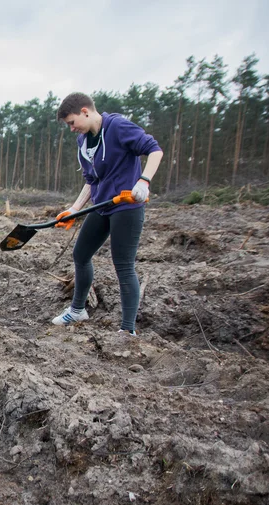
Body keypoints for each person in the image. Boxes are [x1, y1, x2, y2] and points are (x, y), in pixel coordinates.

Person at [50, 92, 163, 336]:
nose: (71, 129)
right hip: (102, 206)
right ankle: (78, 310)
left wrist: (144, 181)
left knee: (123, 265)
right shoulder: (83, 141)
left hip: (126, 206)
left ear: (85, 111)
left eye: (72, 122)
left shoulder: (117, 127)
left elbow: (154, 150)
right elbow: (91, 181)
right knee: (80, 254)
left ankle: (127, 330)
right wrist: (74, 209)